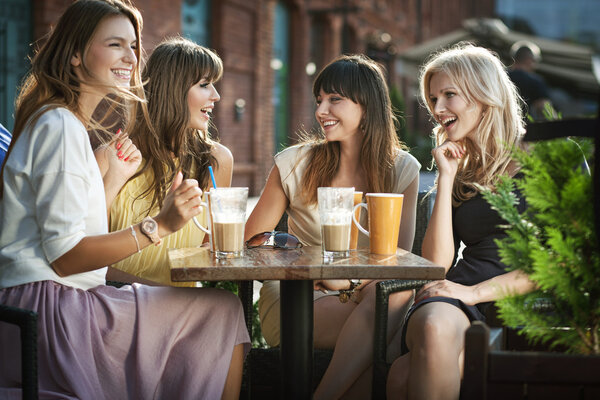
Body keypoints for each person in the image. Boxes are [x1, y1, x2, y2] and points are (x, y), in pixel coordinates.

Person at [0, 1, 249, 398]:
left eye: (134, 46)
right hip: (47, 310)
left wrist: (112, 178)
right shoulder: (59, 125)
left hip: (56, 300)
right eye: (115, 44)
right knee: (221, 311)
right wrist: (160, 226)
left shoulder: (66, 125)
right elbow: (66, 257)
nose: (131, 58)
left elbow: (69, 231)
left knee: (216, 310)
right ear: (76, 54)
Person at [245, 54, 421, 399]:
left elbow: (398, 259)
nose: (321, 110)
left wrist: (352, 281)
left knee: (393, 296)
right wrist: (311, 268)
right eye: (319, 100)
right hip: (299, 296)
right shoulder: (295, 163)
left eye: (334, 99)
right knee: (385, 330)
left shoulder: (402, 169)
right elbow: (252, 241)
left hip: (369, 296)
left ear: (367, 106)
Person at [386, 43, 535, 400]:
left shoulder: (548, 158)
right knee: (435, 328)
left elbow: (558, 259)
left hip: (504, 297)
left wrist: (474, 293)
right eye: (433, 99)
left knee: (403, 377)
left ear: (485, 96)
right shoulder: (462, 170)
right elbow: (437, 265)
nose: (437, 109)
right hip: (452, 302)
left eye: (449, 95)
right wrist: (447, 178)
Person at [105, 36, 233, 286]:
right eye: (205, 84)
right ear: (173, 91)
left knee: (228, 306)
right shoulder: (113, 156)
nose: (216, 95)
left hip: (183, 306)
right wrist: (162, 295)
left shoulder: (217, 160)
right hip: (116, 299)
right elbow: (87, 259)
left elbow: (212, 254)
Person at [507, 40, 553, 120]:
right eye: (535, 61)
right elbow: (545, 108)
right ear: (529, 60)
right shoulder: (535, 81)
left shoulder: (501, 77)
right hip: (525, 128)